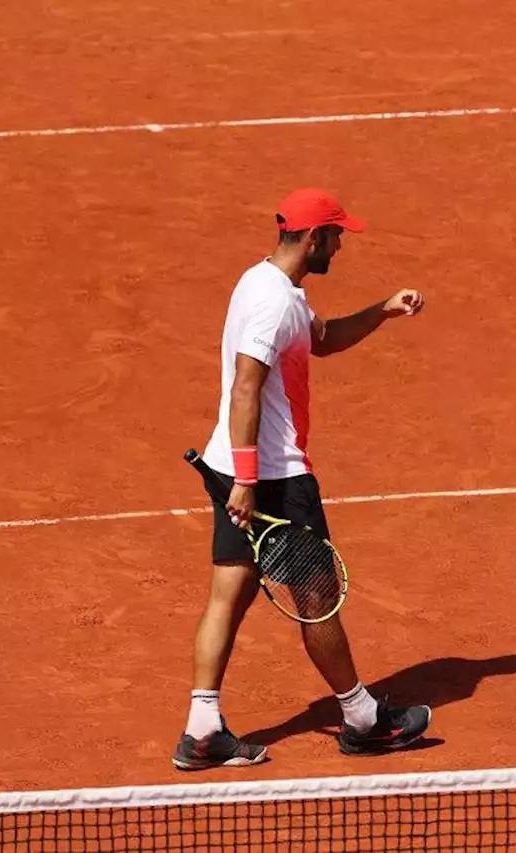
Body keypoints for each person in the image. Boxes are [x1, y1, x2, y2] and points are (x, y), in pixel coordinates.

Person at [172, 188, 433, 770]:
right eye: (337, 236)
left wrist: (382, 310)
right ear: (314, 238)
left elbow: (322, 340)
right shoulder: (271, 302)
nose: (340, 246)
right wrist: (247, 480)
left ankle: (202, 729)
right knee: (318, 599)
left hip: (232, 464)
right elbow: (246, 386)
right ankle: (364, 719)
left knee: (229, 593)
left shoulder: (269, 285)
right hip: (270, 476)